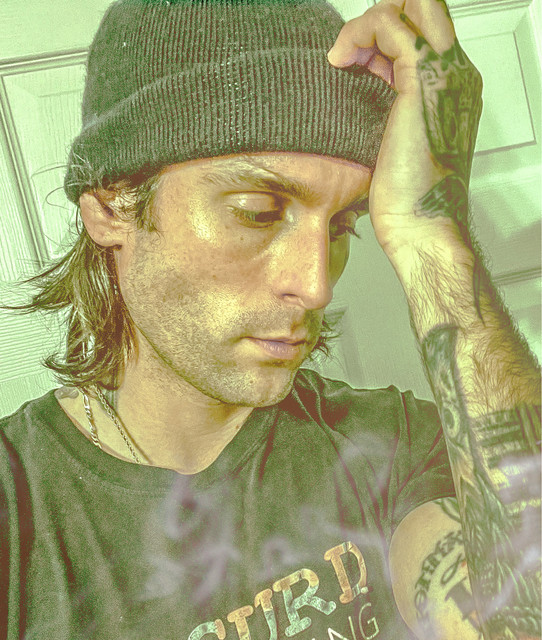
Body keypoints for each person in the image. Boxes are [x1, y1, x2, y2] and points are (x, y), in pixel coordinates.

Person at [0, 0, 540, 638]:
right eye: (257, 211)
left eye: (341, 227)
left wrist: (432, 231)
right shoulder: (19, 509)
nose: (316, 286)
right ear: (112, 209)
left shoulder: (390, 446)